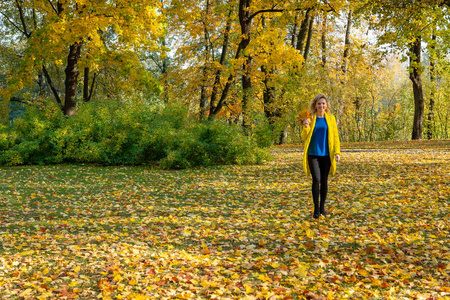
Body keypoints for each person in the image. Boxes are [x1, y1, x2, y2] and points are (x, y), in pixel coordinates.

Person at [300, 94, 341, 218]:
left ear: (326, 105)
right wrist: (306, 127)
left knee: (324, 181)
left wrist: (337, 152)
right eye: (319, 103)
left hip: (327, 155)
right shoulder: (310, 118)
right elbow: (304, 137)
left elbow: (335, 137)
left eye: (323, 103)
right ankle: (316, 209)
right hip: (313, 154)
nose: (321, 106)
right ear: (315, 105)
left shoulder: (331, 119)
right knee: (316, 180)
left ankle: (322, 208)